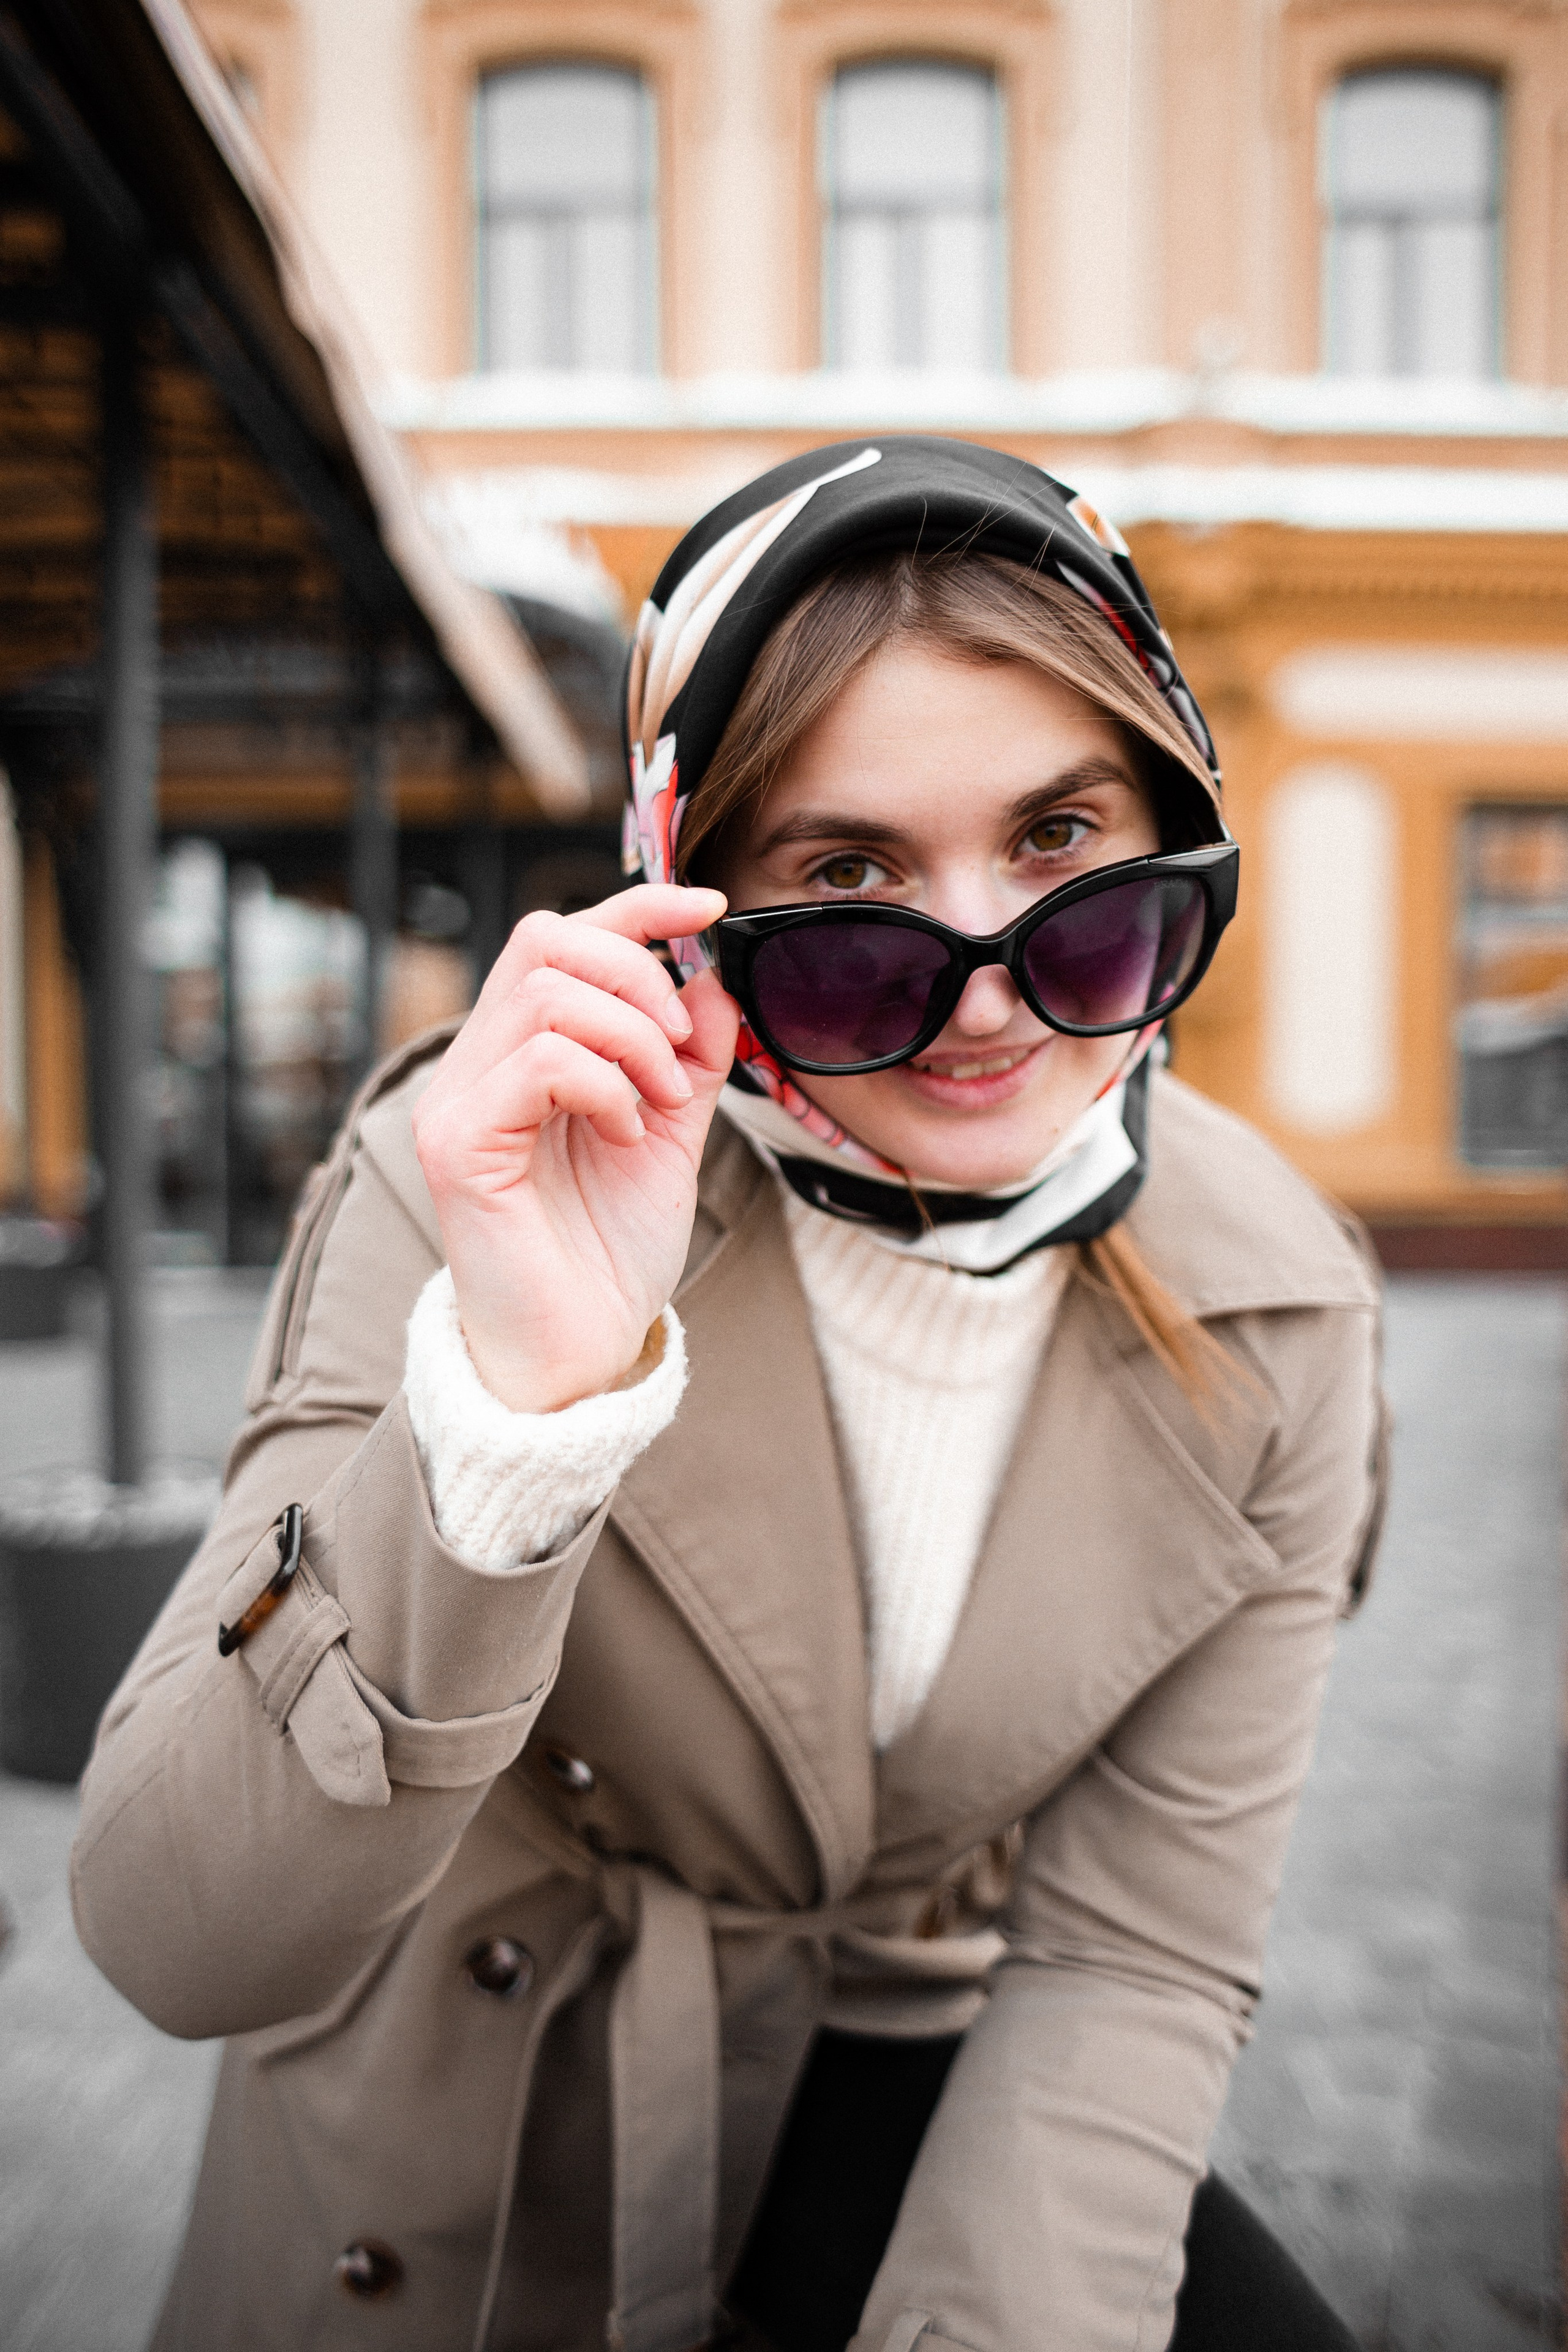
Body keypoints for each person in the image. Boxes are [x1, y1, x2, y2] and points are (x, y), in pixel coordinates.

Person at [72, 440, 1385, 2352]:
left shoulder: (1278, 1305)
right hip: (467, 2119)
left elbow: (1135, 1955)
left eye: (1064, 843)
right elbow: (170, 1936)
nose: (994, 992)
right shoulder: (475, 1170)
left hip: (897, 2090)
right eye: (848, 880)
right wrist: (519, 1398)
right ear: (690, 902)